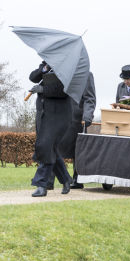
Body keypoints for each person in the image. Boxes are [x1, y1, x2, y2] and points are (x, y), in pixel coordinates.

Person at [28, 61, 73, 197]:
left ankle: (42, 184)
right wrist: (44, 69)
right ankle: (66, 179)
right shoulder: (46, 67)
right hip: (44, 114)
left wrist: (42, 90)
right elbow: (33, 77)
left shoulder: (66, 69)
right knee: (50, 148)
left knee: (46, 146)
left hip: (59, 116)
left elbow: (64, 91)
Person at [47, 71, 96, 190]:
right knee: (52, 147)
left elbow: (90, 98)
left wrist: (87, 116)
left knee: (77, 150)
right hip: (57, 115)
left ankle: (77, 179)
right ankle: (48, 180)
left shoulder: (86, 75)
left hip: (77, 118)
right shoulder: (58, 71)